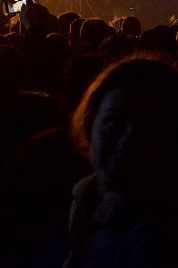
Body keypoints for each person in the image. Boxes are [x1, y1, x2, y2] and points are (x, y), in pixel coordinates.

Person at [67, 58, 178, 266]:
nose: (127, 142)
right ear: (90, 123)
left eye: (149, 130)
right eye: (114, 123)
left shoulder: (159, 242)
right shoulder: (86, 198)